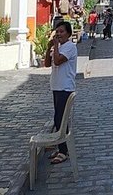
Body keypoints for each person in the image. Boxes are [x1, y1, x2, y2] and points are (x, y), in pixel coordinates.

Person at [44, 21, 77, 165]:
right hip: (56, 86)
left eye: (62, 31)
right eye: (57, 31)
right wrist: (48, 48)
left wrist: (56, 46)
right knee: (58, 119)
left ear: (68, 34)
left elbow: (57, 61)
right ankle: (61, 147)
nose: (58, 34)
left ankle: (64, 151)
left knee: (60, 119)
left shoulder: (70, 47)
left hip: (65, 87)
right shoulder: (58, 47)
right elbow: (47, 64)